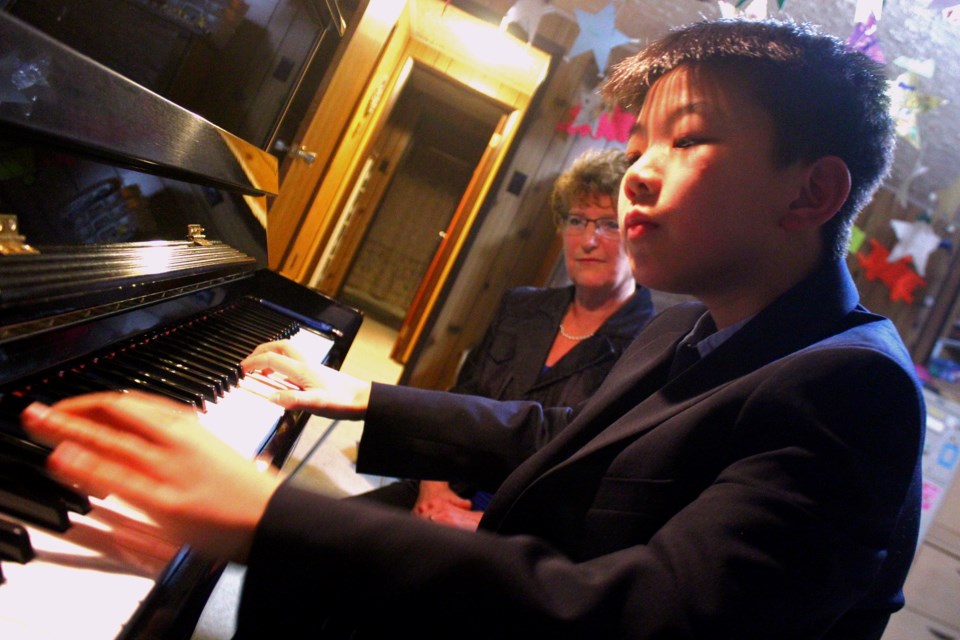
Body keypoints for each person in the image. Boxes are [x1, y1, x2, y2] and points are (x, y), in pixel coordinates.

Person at [22, 18, 925, 639]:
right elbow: (558, 435)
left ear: (811, 192)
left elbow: (649, 619)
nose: (635, 177)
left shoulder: (852, 388)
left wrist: (264, 513)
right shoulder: (695, 325)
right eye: (638, 145)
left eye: (686, 140)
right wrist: (364, 395)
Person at [364, 148, 655, 529]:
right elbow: (459, 399)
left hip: (524, 534)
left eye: (608, 224)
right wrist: (432, 488)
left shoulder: (650, 348)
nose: (587, 240)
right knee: (307, 541)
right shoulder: (521, 307)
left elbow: (598, 490)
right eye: (577, 220)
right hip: (445, 489)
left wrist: (477, 524)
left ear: (636, 231)